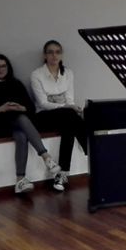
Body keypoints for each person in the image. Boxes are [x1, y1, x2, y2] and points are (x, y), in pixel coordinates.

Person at [0, 54, 61, 194]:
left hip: (16, 123)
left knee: (21, 135)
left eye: (3, 66)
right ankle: (46, 156)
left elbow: (30, 107)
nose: (0, 69)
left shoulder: (15, 84)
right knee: (21, 119)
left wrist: (21, 107)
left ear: (8, 68)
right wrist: (0, 109)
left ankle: (20, 180)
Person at [30, 40, 87, 192]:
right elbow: (43, 103)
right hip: (43, 117)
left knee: (69, 125)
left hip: (65, 117)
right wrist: (67, 107)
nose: (54, 55)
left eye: (57, 52)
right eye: (50, 52)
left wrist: (71, 107)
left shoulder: (68, 73)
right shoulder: (37, 74)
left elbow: (69, 100)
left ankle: (62, 174)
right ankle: (88, 146)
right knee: (70, 115)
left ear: (61, 55)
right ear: (45, 55)